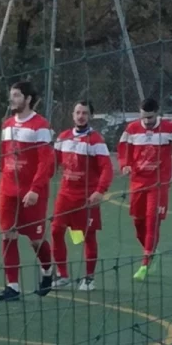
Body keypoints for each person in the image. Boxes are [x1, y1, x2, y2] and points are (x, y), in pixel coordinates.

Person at [0, 80, 57, 301]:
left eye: (17, 95)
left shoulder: (40, 126)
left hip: (32, 193)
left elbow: (46, 162)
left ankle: (48, 271)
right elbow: (4, 156)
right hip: (8, 190)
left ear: (28, 99)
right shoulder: (7, 125)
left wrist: (35, 189)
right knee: (8, 235)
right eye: (11, 95)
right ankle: (12, 286)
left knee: (35, 240)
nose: (12, 99)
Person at [116, 97, 172, 279]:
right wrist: (125, 164)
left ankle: (145, 263)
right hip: (138, 182)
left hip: (159, 183)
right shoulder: (132, 129)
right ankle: (152, 252)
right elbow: (123, 147)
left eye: (150, 117)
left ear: (157, 113)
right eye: (144, 117)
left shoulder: (170, 128)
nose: (147, 121)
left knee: (152, 221)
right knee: (138, 223)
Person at [49, 102, 114, 291]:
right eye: (78, 112)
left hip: (86, 198)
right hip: (65, 195)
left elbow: (106, 169)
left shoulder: (96, 140)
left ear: (90, 116)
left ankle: (89, 278)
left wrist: (100, 190)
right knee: (55, 231)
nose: (81, 116)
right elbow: (52, 164)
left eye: (85, 113)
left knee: (89, 236)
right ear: (72, 115)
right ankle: (62, 275)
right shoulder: (63, 137)